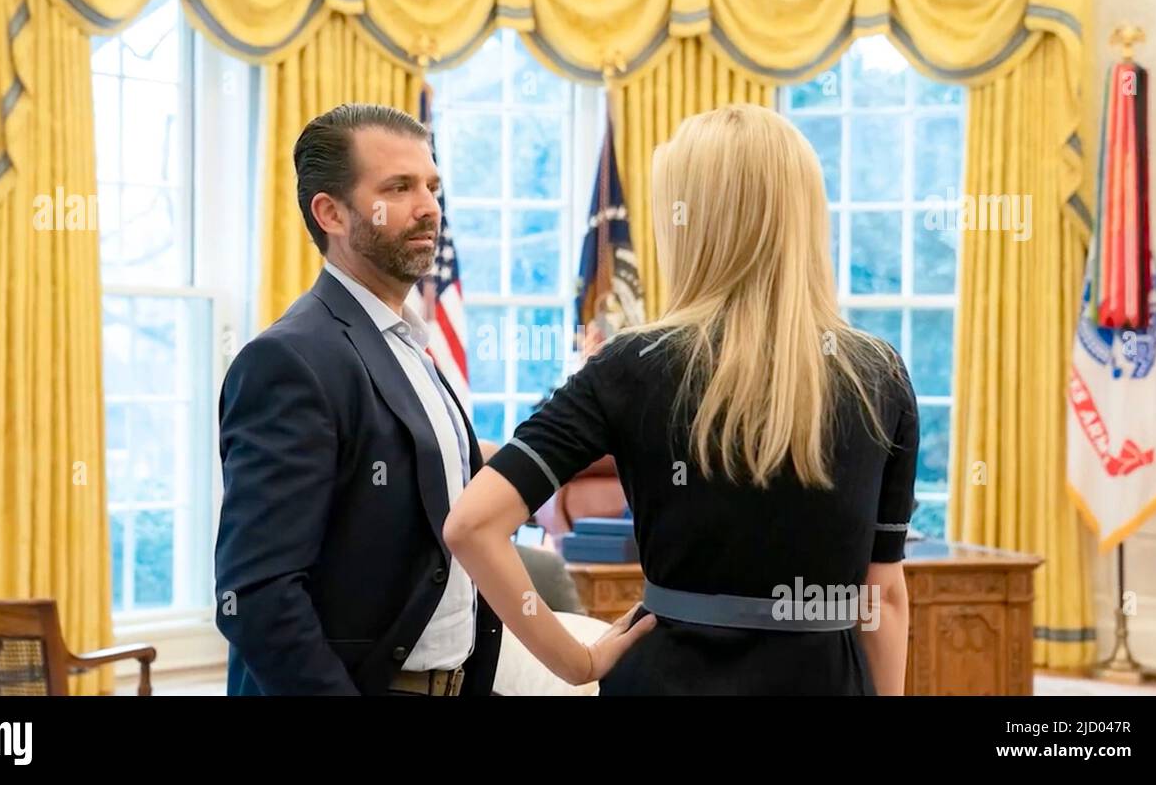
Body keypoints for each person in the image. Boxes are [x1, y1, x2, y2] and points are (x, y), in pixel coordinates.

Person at [443, 103, 918, 695]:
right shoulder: (880, 375)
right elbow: (885, 595)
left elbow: (472, 525)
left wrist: (575, 662)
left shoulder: (630, 365)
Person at [214, 103, 501, 696]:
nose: (429, 207)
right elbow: (256, 597)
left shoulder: (410, 345)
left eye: (432, 185)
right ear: (331, 213)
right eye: (399, 187)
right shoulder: (289, 362)